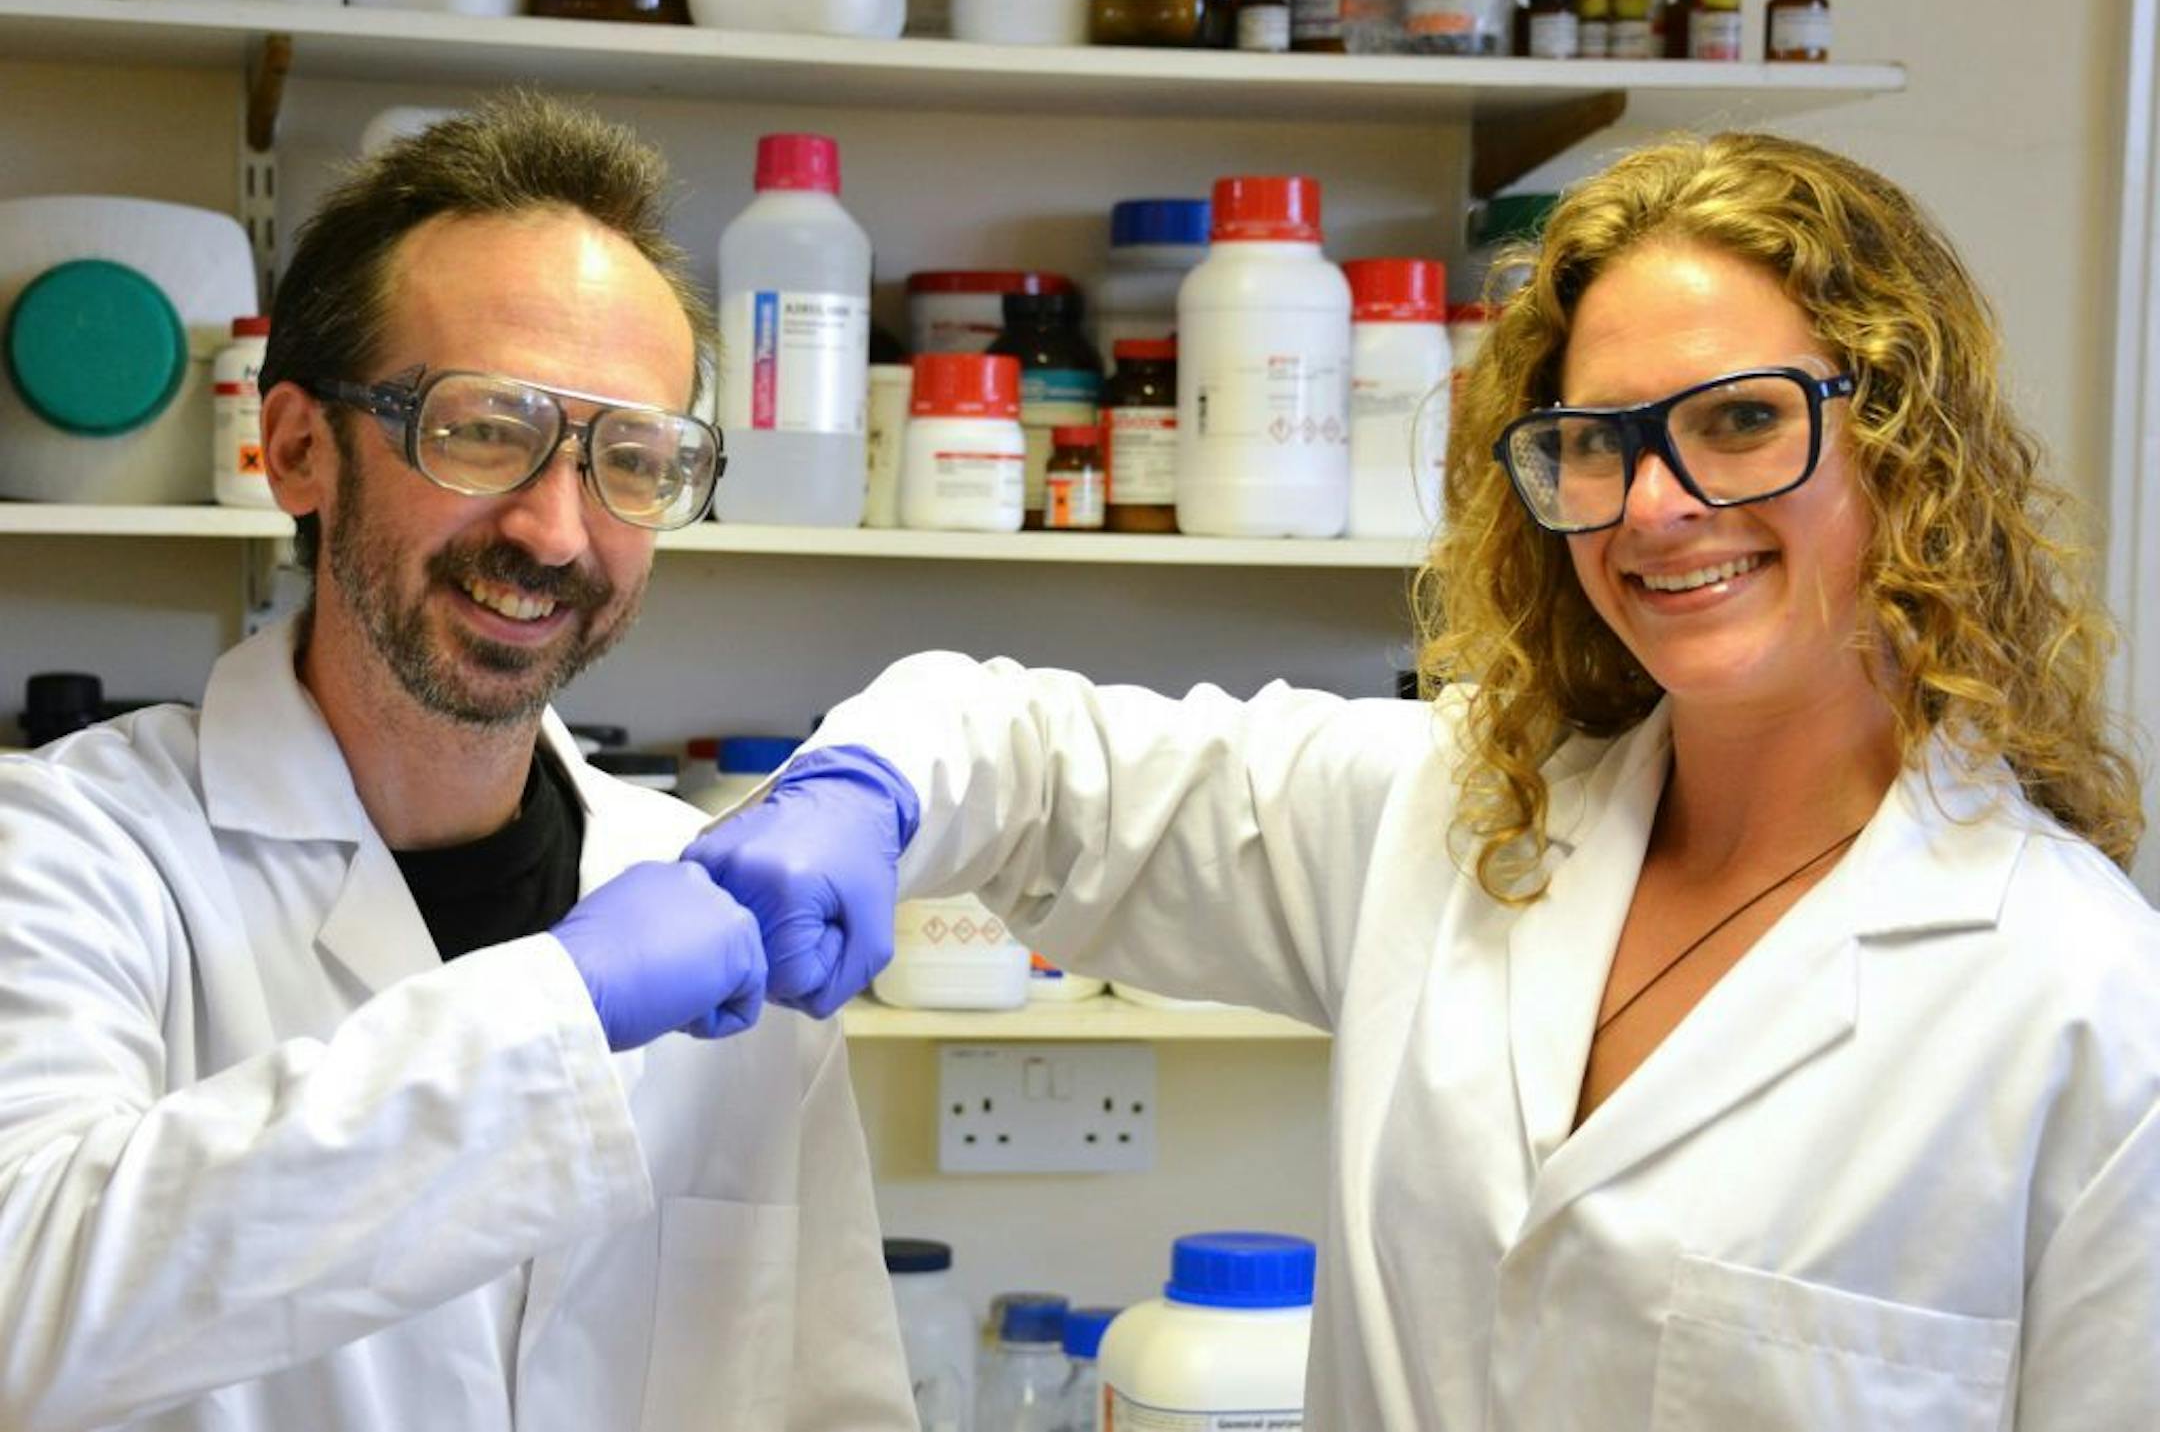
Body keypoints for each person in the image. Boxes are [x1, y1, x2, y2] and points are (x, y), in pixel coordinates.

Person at [683, 132, 2160, 1428]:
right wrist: (864, 789)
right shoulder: (1461, 815)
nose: (1655, 505)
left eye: (1742, 420)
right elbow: (1032, 755)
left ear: (1902, 445)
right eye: (1596, 442)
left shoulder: (2086, 1011)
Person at [0, 93, 914, 1430]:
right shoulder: (68, 855)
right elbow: (24, 1309)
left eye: (632, 459)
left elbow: (836, 1396)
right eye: (483, 428)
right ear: (298, 448)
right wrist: (559, 1008)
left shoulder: (715, 901)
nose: (556, 529)